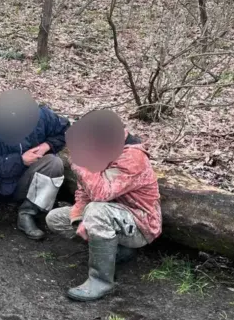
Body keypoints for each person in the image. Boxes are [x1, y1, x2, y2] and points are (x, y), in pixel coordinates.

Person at [46, 110, 162, 301]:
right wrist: (78, 219)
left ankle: (101, 280)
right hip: (109, 214)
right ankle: (115, 252)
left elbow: (101, 193)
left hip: (140, 224)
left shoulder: (132, 157)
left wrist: (79, 163)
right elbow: (85, 191)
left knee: (96, 211)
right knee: (56, 219)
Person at [0, 89, 70, 239]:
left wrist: (47, 145)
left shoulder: (40, 116)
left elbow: (65, 130)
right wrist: (19, 160)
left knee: (54, 163)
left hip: (25, 180)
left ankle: (27, 214)